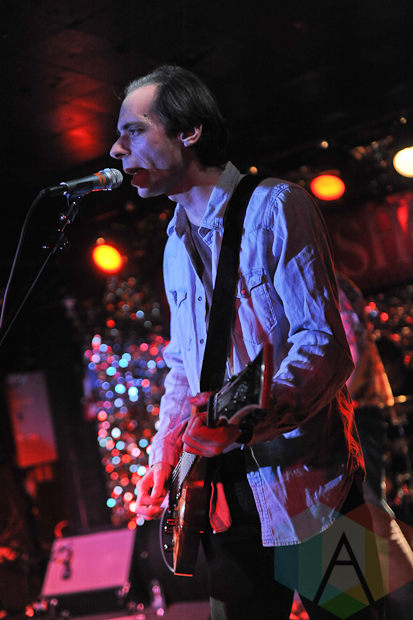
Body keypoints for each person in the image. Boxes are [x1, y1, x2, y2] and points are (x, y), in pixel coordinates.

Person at [110, 65, 381, 619]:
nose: (117, 149)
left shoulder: (277, 206)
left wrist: (248, 420)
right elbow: (184, 367)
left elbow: (324, 345)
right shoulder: (173, 246)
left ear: (190, 131)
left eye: (134, 130)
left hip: (314, 487)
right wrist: (165, 452)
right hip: (225, 499)